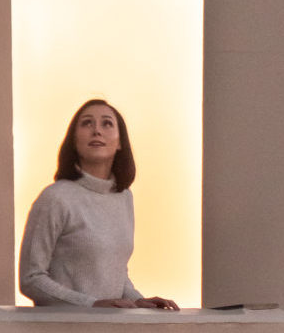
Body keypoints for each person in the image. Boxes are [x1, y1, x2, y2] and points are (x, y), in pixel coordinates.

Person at [18, 99, 179, 309]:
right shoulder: (55, 198)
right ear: (74, 140)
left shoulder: (124, 198)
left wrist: (137, 300)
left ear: (120, 142)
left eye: (107, 124)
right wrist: (91, 305)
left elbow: (116, 273)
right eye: (87, 123)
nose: (96, 131)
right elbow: (31, 278)